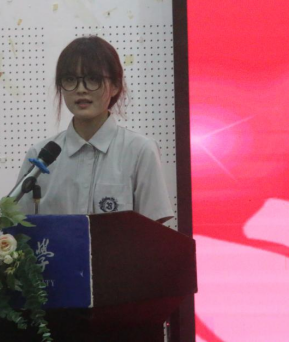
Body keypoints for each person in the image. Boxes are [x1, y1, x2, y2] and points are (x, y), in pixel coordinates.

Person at [15, 36, 174, 223]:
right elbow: (19, 228)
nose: (81, 89)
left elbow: (153, 231)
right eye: (70, 79)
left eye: (93, 79)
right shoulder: (40, 156)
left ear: (115, 86)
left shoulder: (140, 151)